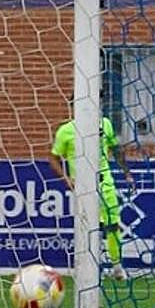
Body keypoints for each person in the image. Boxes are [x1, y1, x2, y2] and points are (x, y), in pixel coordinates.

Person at [48, 112, 133, 280]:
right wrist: (66, 179)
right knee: (89, 226)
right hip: (83, 185)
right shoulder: (66, 131)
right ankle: (89, 268)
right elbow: (53, 157)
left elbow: (116, 149)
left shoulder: (105, 123)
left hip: (105, 182)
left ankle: (117, 266)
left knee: (112, 224)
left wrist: (127, 173)